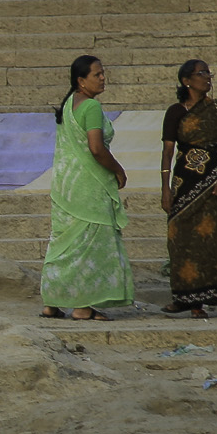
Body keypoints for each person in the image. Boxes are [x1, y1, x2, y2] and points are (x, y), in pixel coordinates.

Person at [40, 55, 131, 321]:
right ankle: (83, 307)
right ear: (81, 81)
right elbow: (96, 148)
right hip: (88, 188)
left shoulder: (69, 103)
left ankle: (52, 302)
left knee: (63, 245)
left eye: (103, 73)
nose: (103, 78)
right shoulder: (90, 106)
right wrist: (118, 169)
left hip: (65, 186)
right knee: (90, 246)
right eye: (97, 74)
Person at [159, 59, 217, 317]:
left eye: (208, 73)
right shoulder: (175, 112)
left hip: (216, 183)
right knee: (181, 238)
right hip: (185, 183)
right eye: (201, 73)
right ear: (187, 80)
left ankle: (201, 302)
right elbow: (168, 151)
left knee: (212, 241)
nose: (208, 77)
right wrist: (165, 188)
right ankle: (183, 297)